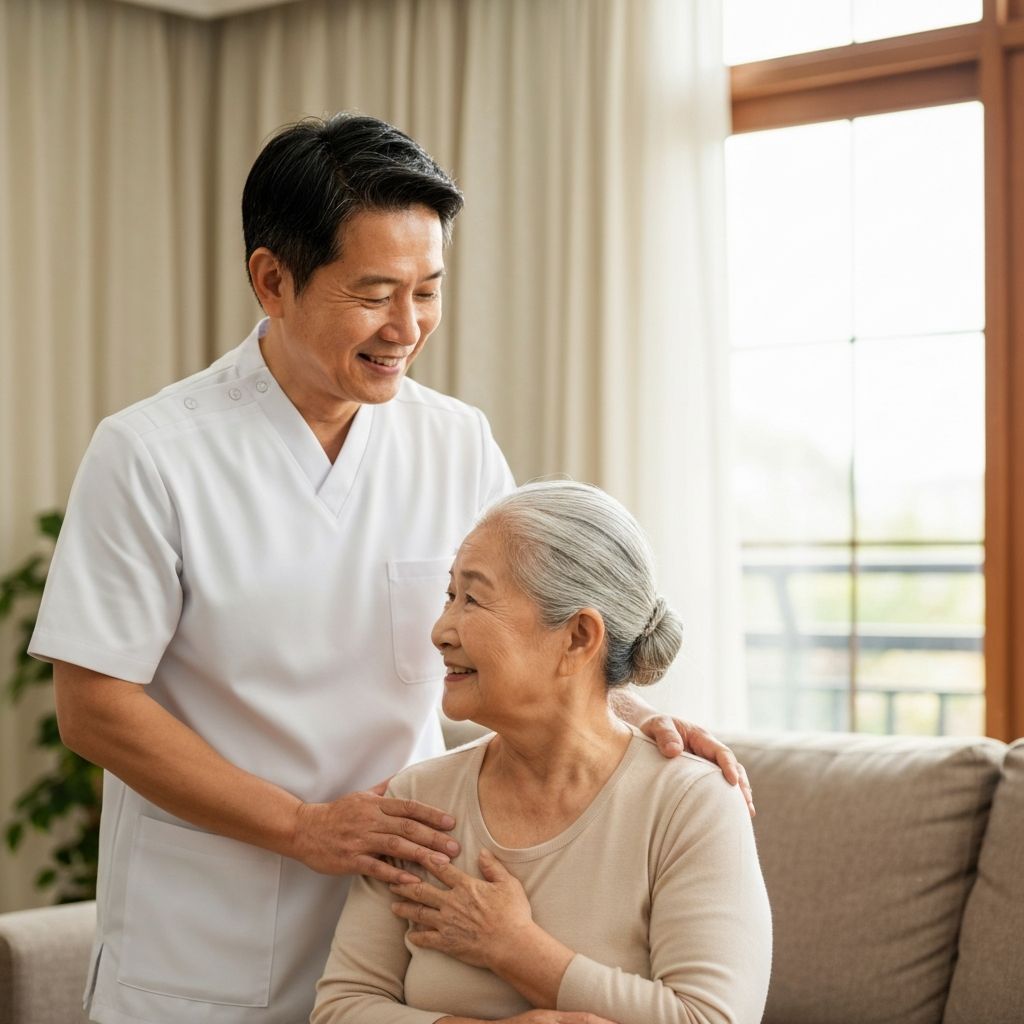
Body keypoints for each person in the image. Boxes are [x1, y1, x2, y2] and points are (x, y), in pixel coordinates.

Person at [28, 114, 750, 1024]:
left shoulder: (454, 441)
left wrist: (636, 714)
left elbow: (527, 628)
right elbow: (94, 707)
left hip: (401, 935)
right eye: (374, 293)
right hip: (203, 944)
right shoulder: (150, 454)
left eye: (428, 291)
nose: (407, 328)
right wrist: (304, 826)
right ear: (272, 281)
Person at [313, 482, 772, 1024]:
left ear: (577, 637)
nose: (440, 631)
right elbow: (340, 1009)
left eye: (474, 598)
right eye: (449, 596)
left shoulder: (690, 805)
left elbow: (710, 1019)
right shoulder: (419, 800)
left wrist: (514, 948)